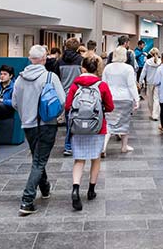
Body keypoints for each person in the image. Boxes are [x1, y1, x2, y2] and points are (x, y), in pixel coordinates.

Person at [14, 45, 65, 216]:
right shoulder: (50, 77)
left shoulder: (20, 79)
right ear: (44, 59)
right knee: (38, 161)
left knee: (38, 157)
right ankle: (27, 200)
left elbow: (14, 102)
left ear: (30, 59)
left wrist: (25, 113)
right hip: (46, 124)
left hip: (28, 125)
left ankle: (45, 188)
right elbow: (62, 100)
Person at [65, 54, 114, 211]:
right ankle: (91, 190)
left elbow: (67, 106)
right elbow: (111, 107)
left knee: (79, 160)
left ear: (83, 68)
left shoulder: (75, 85)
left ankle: (75, 189)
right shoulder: (102, 85)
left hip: (78, 128)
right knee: (95, 158)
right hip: (97, 127)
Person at [103, 47, 140, 154]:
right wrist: (136, 99)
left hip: (110, 97)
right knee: (125, 122)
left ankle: (103, 147)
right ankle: (124, 146)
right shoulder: (128, 68)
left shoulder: (108, 67)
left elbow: (104, 84)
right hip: (125, 98)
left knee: (109, 123)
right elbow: (131, 85)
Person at [58, 38, 84, 157]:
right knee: (79, 119)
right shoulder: (81, 60)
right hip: (78, 93)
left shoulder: (59, 61)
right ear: (78, 47)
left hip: (64, 93)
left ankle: (69, 145)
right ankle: (72, 144)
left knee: (69, 120)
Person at [140, 48, 161, 121]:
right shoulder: (160, 62)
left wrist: (140, 82)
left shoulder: (147, 62)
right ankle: (155, 115)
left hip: (149, 82)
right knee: (156, 99)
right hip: (158, 83)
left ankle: (152, 113)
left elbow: (143, 72)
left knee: (150, 99)